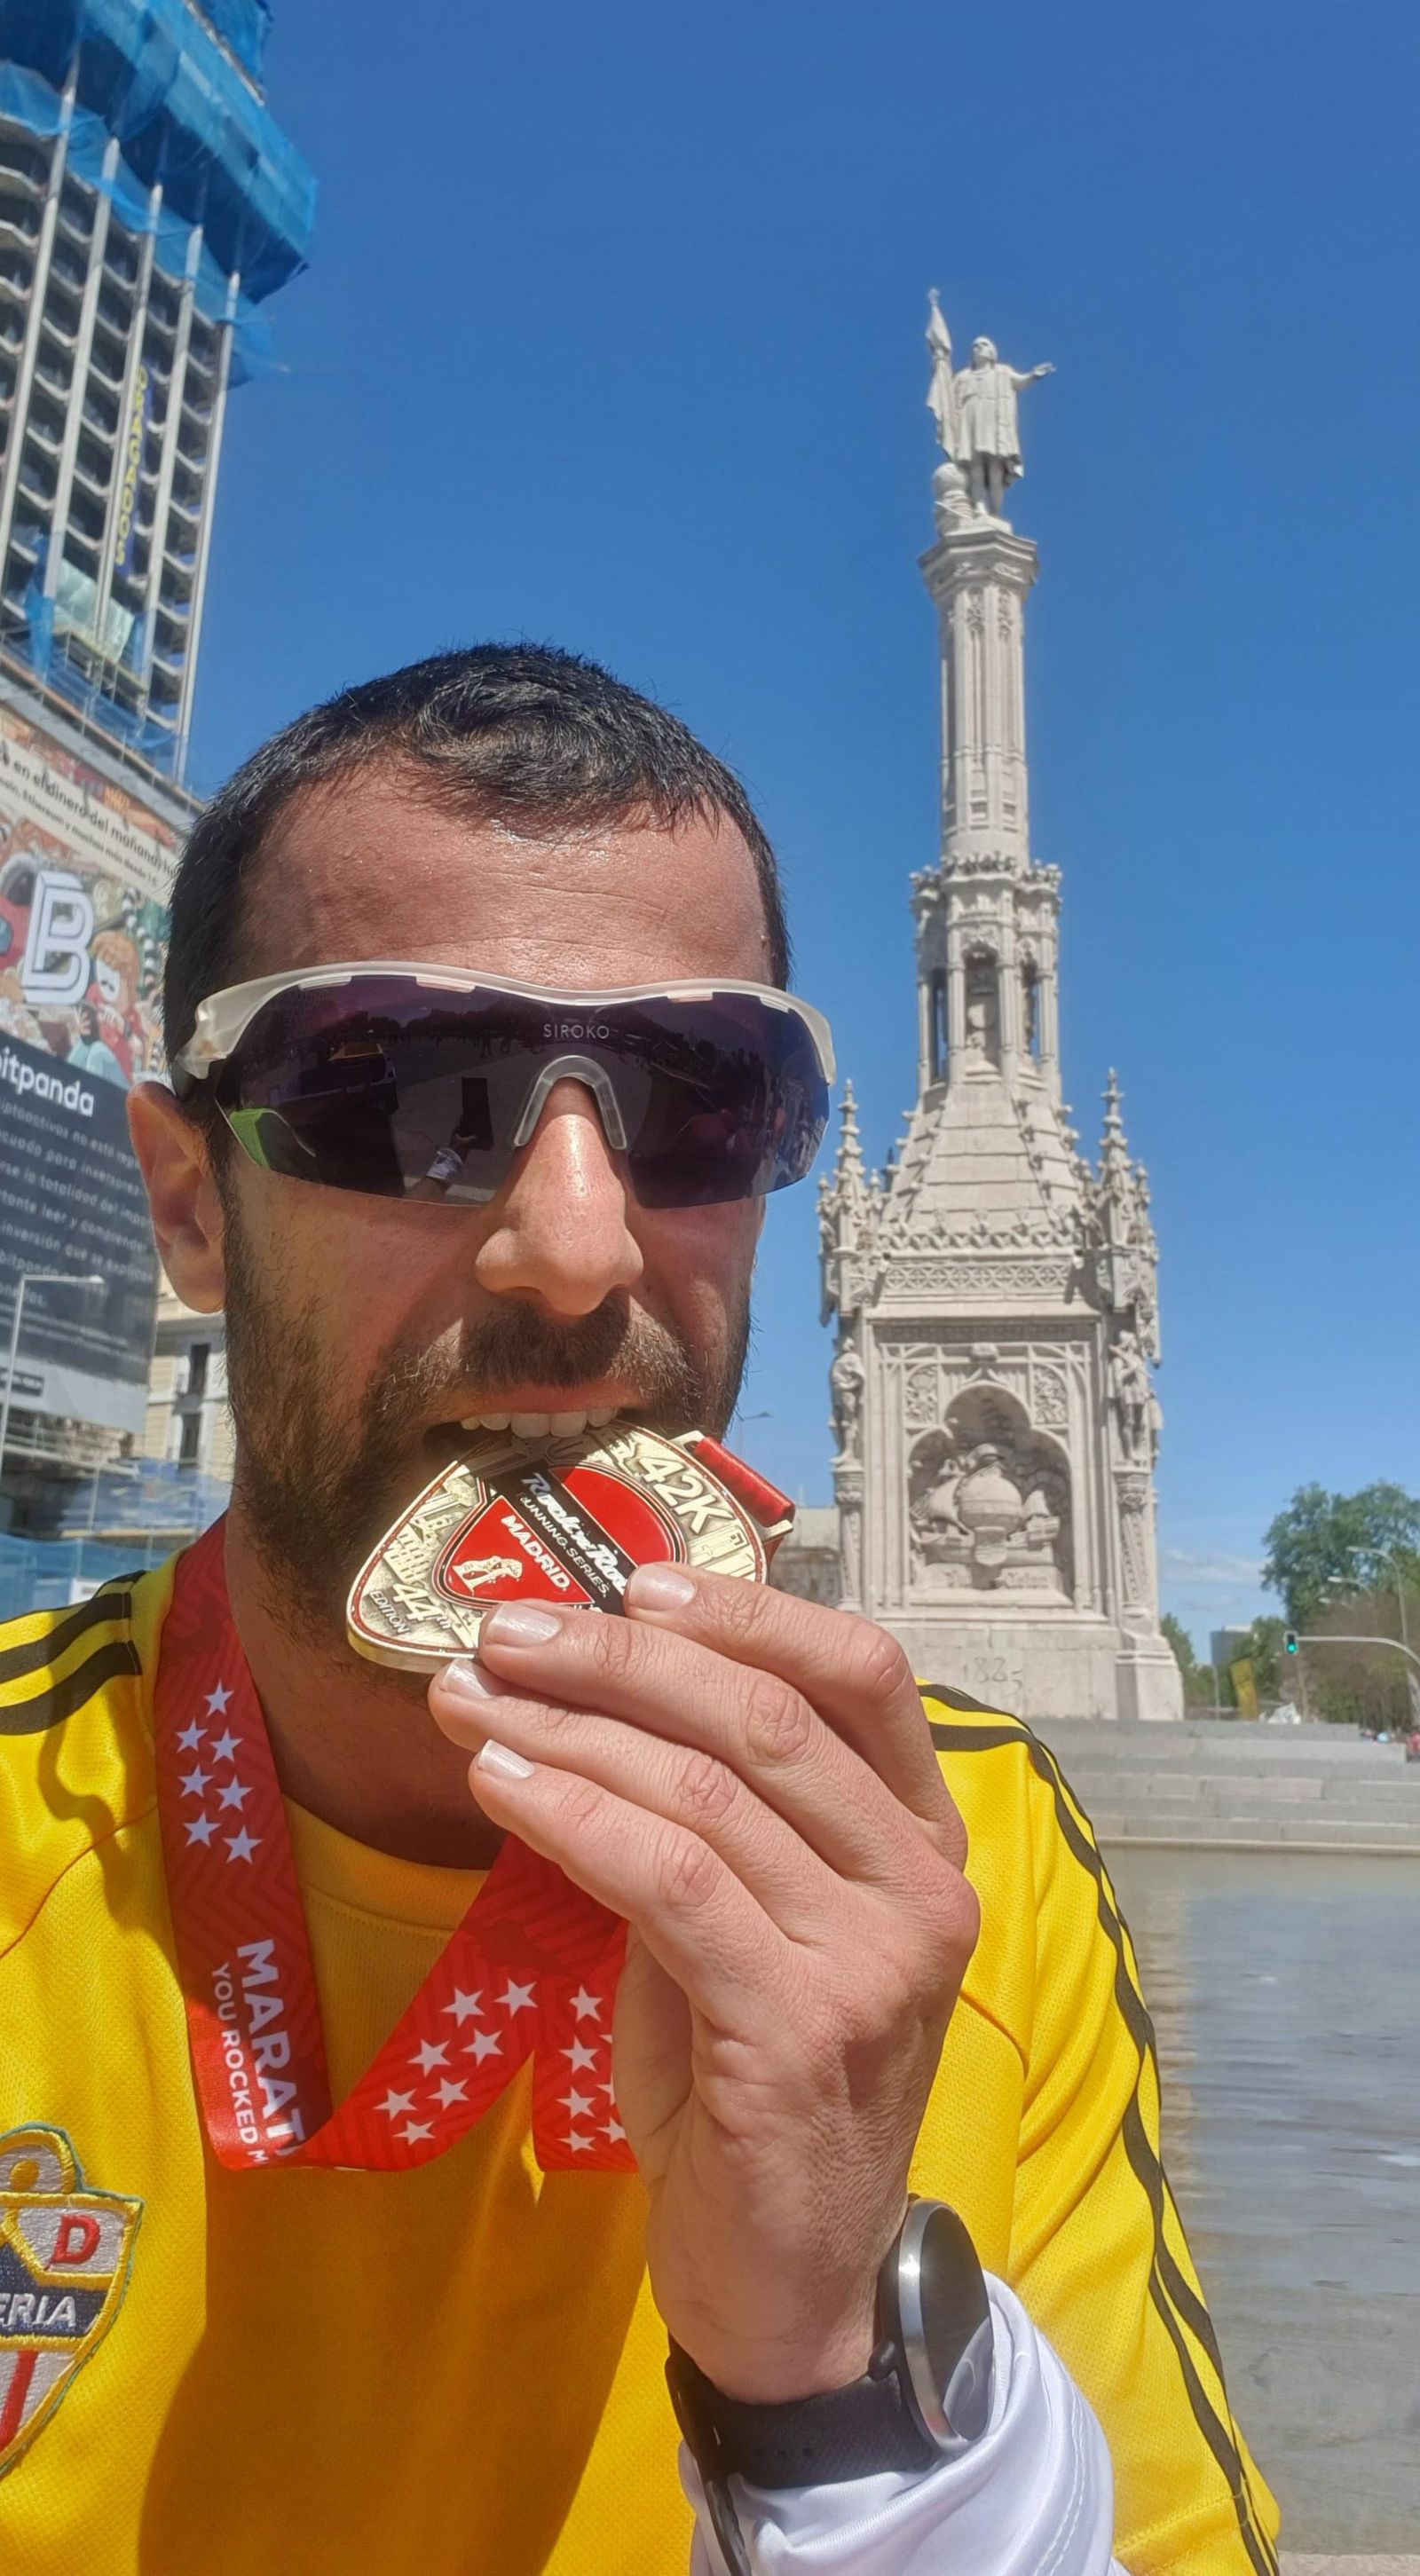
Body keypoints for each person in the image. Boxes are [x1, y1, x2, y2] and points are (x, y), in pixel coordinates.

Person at [0, 646, 1278, 2576]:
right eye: (408, 1089)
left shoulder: (967, 1855)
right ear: (188, 1204)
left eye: (696, 1098)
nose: (575, 1248)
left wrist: (837, 2392)